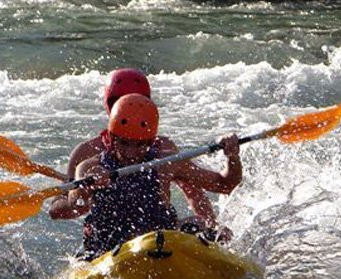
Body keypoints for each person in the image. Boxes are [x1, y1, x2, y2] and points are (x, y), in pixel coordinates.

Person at [50, 93, 242, 259]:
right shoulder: (89, 167)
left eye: (140, 144)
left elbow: (225, 185)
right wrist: (87, 187)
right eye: (124, 143)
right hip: (109, 249)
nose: (131, 152)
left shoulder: (167, 164)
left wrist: (232, 157)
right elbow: (70, 206)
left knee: (210, 228)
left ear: (152, 140)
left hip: (160, 240)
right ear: (110, 137)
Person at [49, 68, 225, 237]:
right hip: (109, 234)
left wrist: (212, 227)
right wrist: (83, 193)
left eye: (139, 99)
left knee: (197, 223)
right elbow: (60, 210)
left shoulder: (164, 148)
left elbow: (193, 193)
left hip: (155, 229)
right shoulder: (86, 153)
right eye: (119, 100)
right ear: (110, 105)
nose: (131, 107)